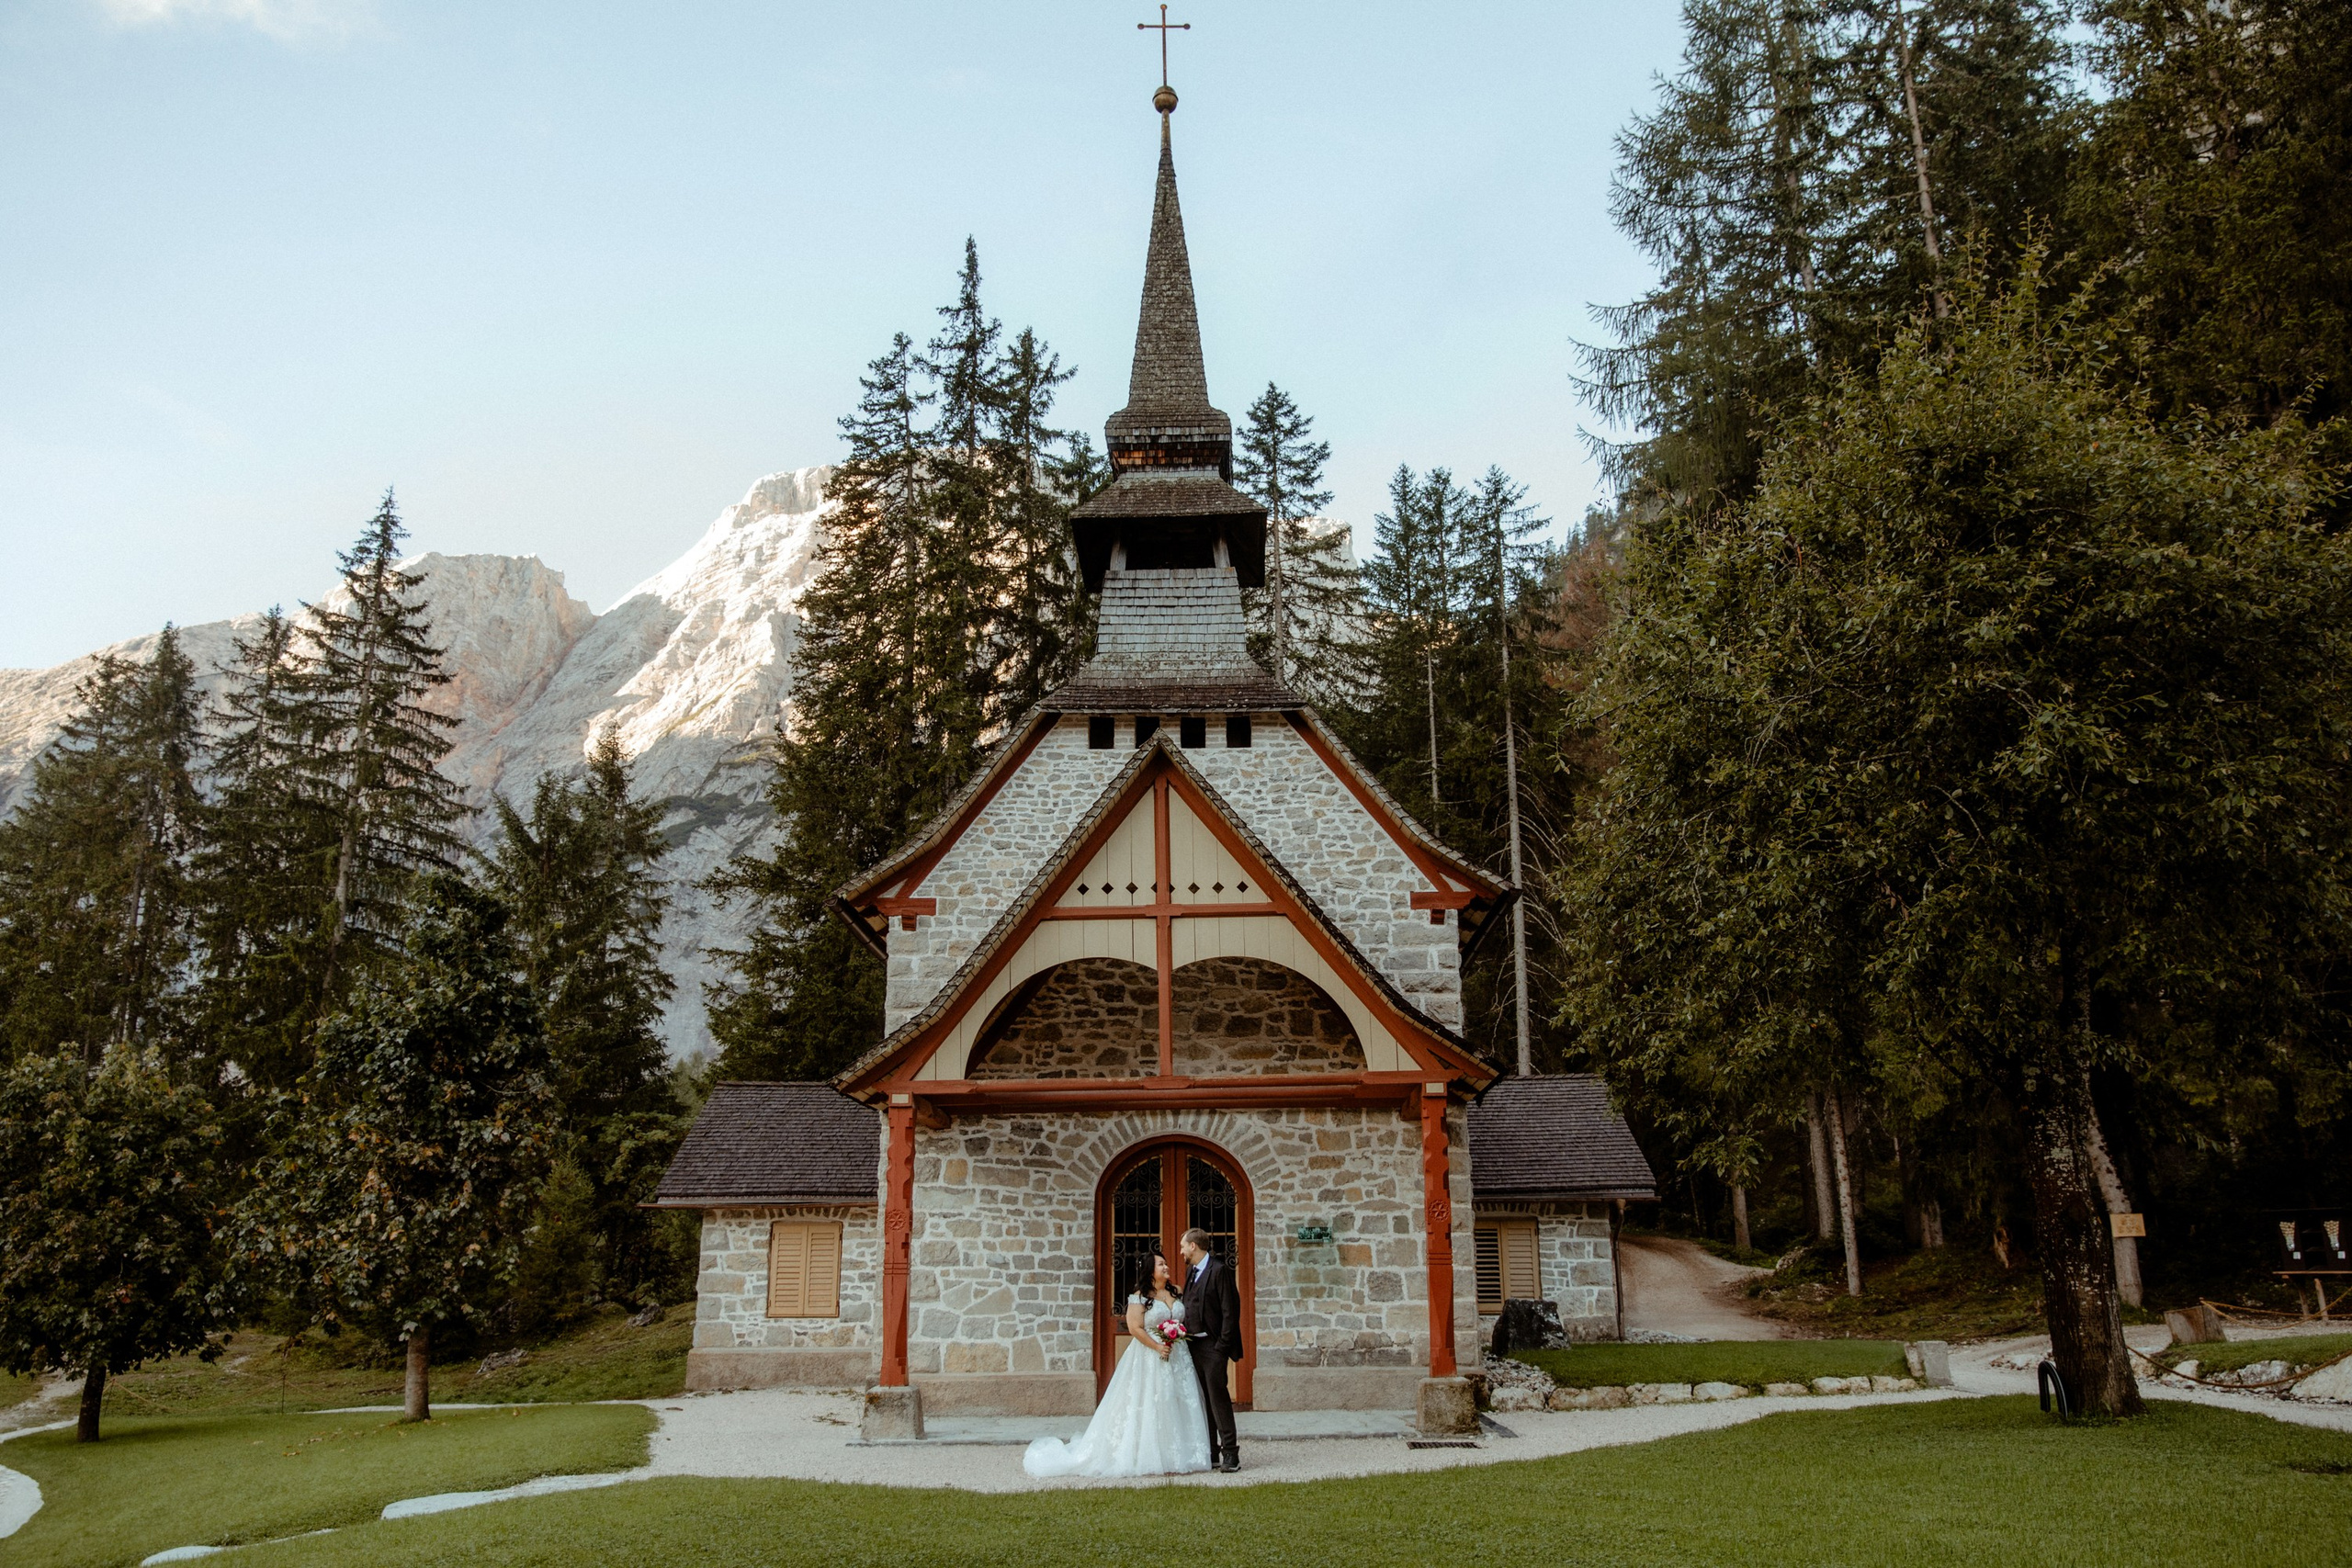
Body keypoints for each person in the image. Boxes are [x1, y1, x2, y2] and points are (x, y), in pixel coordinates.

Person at [1021, 1250, 1211, 1478]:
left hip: (1178, 1357)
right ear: (1151, 1270)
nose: (1167, 1267)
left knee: (1178, 1400)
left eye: (1166, 1263)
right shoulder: (1139, 1297)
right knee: (1153, 1401)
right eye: (1162, 1264)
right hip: (1150, 1356)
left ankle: (1181, 1455)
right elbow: (1135, 1328)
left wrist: (1176, 1336)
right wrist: (1158, 1346)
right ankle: (1149, 1455)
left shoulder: (1176, 1291)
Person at [1178, 1225, 1243, 1472]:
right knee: (1203, 1399)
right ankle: (1212, 1451)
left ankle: (1231, 1454)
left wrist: (1222, 1346)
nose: (1181, 1250)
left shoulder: (1219, 1270)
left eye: (1184, 1245)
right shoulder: (1190, 1271)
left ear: (1193, 1246)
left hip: (1213, 1346)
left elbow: (1230, 1310)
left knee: (1218, 1398)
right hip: (1193, 1344)